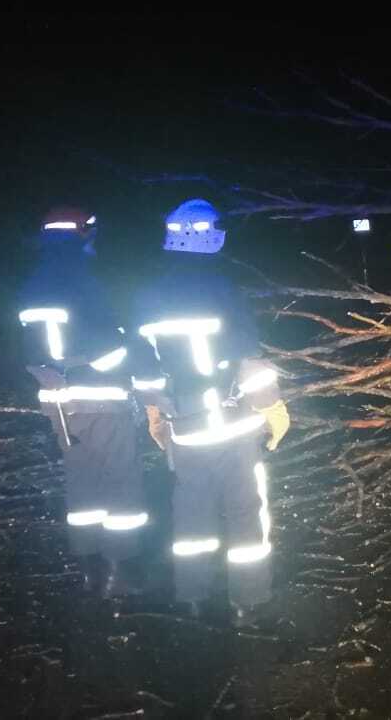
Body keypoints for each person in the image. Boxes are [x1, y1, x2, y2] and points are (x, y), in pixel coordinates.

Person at [131, 198, 289, 627]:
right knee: (244, 511)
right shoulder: (224, 290)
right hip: (234, 425)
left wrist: (156, 413)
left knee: (191, 512)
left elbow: (144, 370)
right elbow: (249, 361)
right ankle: (248, 602)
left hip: (185, 429)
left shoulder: (148, 296)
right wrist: (273, 407)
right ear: (209, 236)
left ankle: (193, 597)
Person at [18, 207, 148, 597]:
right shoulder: (84, 281)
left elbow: (28, 350)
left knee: (81, 480)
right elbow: (104, 348)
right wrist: (132, 349)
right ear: (82, 235)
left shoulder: (33, 282)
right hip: (102, 398)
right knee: (121, 481)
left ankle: (88, 566)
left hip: (59, 405)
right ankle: (120, 572)